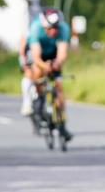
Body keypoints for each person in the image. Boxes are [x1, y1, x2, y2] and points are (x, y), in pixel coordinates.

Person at [26, 8, 72, 139]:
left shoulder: (63, 28)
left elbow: (62, 52)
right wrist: (43, 65)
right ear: (44, 26)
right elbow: (35, 56)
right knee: (37, 71)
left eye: (56, 28)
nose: (54, 31)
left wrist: (57, 63)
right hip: (38, 53)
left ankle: (62, 124)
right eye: (50, 28)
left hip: (53, 54)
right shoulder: (36, 28)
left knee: (59, 87)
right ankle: (39, 98)